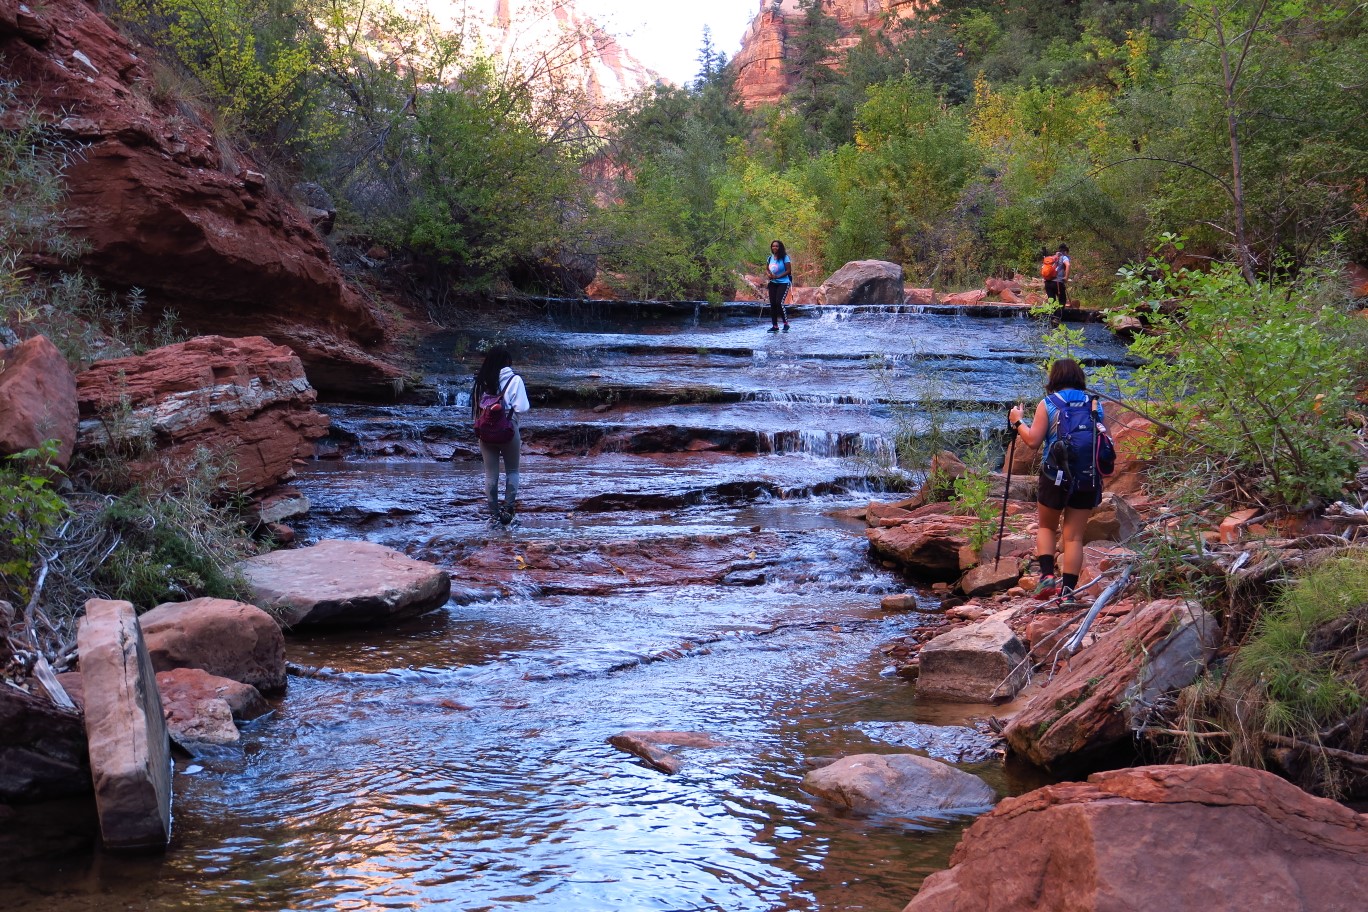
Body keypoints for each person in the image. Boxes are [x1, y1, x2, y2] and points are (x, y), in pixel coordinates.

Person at [1008, 358, 1104, 608]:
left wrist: (1018, 421)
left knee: (1047, 527)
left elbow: (1032, 441)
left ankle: (1047, 577)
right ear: (1079, 378)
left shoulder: (1048, 403)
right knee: (1074, 538)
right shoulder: (1094, 404)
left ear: (1054, 379)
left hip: (1055, 476)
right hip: (1087, 476)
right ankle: (1068, 593)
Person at [471, 346, 530, 527]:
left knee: (490, 475)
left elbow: (477, 408)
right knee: (512, 471)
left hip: (485, 431)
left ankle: (494, 515)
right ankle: (508, 511)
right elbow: (522, 407)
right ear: (507, 362)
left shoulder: (481, 381)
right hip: (508, 429)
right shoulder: (515, 379)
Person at [765, 239, 792, 333]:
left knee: (779, 303)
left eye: (776, 246)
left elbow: (788, 270)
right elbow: (767, 269)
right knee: (772, 304)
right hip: (773, 283)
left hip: (783, 283)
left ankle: (786, 324)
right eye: (773, 246)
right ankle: (775, 326)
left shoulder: (785, 258)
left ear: (780, 247)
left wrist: (777, 276)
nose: (775, 247)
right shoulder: (770, 258)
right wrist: (769, 275)